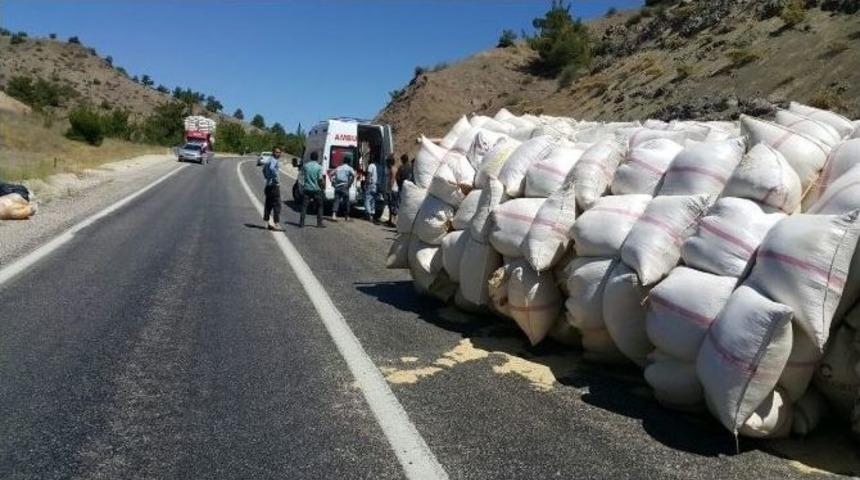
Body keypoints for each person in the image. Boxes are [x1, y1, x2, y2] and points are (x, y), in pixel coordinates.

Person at [300, 151, 325, 228]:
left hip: (307, 188)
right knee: (320, 206)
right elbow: (320, 179)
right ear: (317, 158)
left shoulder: (305, 166)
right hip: (316, 189)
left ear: (311, 157)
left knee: (304, 206)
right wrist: (322, 187)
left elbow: (302, 176)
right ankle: (319, 223)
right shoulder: (319, 167)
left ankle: (302, 223)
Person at [261, 147, 282, 231]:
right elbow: (272, 168)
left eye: (279, 152)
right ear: (273, 152)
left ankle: (266, 223)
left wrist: (267, 178)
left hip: (268, 186)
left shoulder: (268, 160)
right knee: (277, 205)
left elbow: (263, 170)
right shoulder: (273, 160)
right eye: (277, 152)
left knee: (268, 204)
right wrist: (275, 179)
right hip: (274, 186)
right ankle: (276, 224)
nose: (279, 154)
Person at [331, 153, 356, 221]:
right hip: (345, 186)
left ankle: (334, 215)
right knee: (346, 201)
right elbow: (354, 175)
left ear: (343, 161)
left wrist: (333, 182)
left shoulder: (338, 168)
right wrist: (349, 183)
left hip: (337, 186)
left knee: (336, 201)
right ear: (349, 162)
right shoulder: (349, 168)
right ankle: (347, 216)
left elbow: (331, 174)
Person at [384, 155, 398, 227]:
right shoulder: (394, 168)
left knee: (392, 205)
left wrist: (389, 188)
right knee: (390, 205)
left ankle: (393, 221)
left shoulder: (392, 169)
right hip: (393, 189)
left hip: (392, 189)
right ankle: (390, 220)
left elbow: (392, 179)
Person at [364, 157, 378, 223]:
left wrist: (366, 184)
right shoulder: (376, 166)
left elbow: (369, 175)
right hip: (375, 185)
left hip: (370, 184)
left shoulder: (370, 166)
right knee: (372, 200)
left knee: (367, 199)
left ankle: (368, 214)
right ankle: (372, 214)